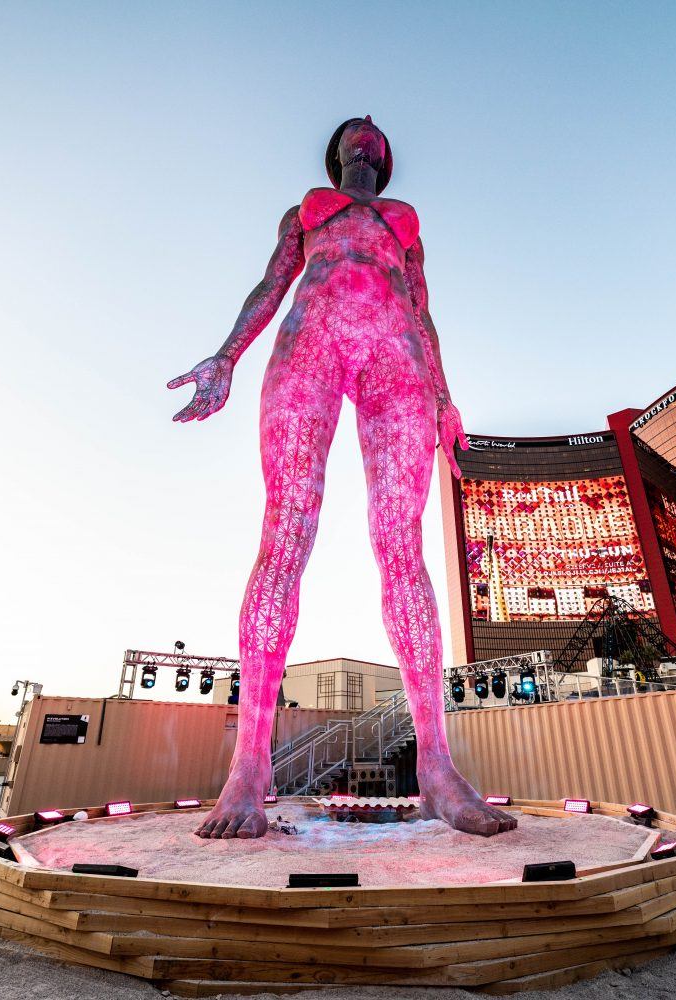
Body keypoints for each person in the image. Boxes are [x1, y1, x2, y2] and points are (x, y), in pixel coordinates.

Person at [168, 116, 517, 839]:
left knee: (402, 545)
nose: (366, 140)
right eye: (355, 136)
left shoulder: (405, 224)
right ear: (336, 154)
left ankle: (436, 767)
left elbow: (422, 312)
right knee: (285, 532)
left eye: (377, 139)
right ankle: (249, 767)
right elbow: (271, 282)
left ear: (385, 160)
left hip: (397, 358)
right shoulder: (307, 210)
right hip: (313, 340)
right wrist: (225, 357)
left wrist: (446, 399)